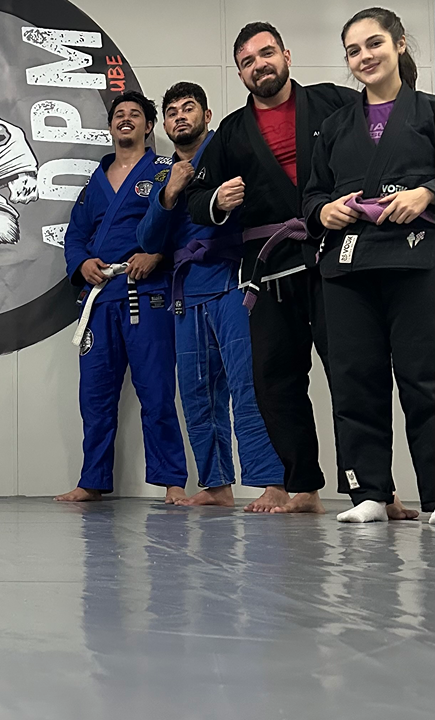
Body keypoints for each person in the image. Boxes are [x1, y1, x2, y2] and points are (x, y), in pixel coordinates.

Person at [187, 22, 359, 514]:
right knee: (275, 380)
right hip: (270, 270)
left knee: (352, 373)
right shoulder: (231, 133)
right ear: (240, 73)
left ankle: (371, 488)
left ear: (286, 55)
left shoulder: (333, 102)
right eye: (247, 61)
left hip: (334, 259)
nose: (258, 65)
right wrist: (217, 200)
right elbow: (196, 198)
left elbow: (376, 147)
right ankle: (304, 487)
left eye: (266, 53)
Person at [303, 7, 434, 523]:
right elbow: (312, 194)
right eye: (353, 51)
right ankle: (369, 495)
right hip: (349, 267)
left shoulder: (428, 112)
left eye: (374, 43)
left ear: (400, 44)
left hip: (415, 261)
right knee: (355, 379)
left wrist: (427, 192)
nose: (364, 57)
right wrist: (324, 211)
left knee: (425, 379)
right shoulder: (335, 126)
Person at [138, 82, 283, 506]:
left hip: (234, 280)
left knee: (248, 385)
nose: (180, 116)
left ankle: (273, 482)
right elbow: (147, 239)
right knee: (197, 391)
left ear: (207, 115)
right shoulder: (164, 176)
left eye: (188, 108)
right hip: (187, 291)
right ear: (165, 125)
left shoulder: (231, 150)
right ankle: (216, 486)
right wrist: (170, 192)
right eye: (172, 112)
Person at [56, 91, 188, 503]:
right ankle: (92, 480)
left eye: (135, 114)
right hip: (100, 299)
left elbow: (183, 224)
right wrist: (82, 264)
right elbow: (75, 236)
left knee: (156, 391)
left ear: (149, 126)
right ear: (111, 125)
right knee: (94, 396)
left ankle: (172, 481)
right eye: (119, 114)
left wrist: (157, 254)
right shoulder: (95, 181)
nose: (126, 118)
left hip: (146, 295)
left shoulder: (166, 170)